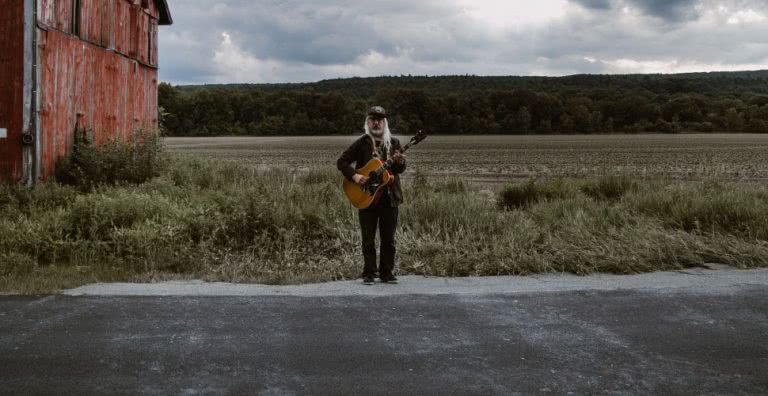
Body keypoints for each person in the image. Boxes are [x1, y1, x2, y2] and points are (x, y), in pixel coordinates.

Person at [337, 106, 406, 285]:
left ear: (384, 123)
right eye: (373, 119)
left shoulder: (394, 143)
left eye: (380, 120)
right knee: (368, 239)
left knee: (388, 239)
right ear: (367, 122)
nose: (376, 122)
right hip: (366, 197)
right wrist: (355, 176)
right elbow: (342, 162)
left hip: (389, 197)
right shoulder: (362, 143)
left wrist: (400, 162)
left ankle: (386, 273)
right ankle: (369, 273)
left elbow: (399, 170)